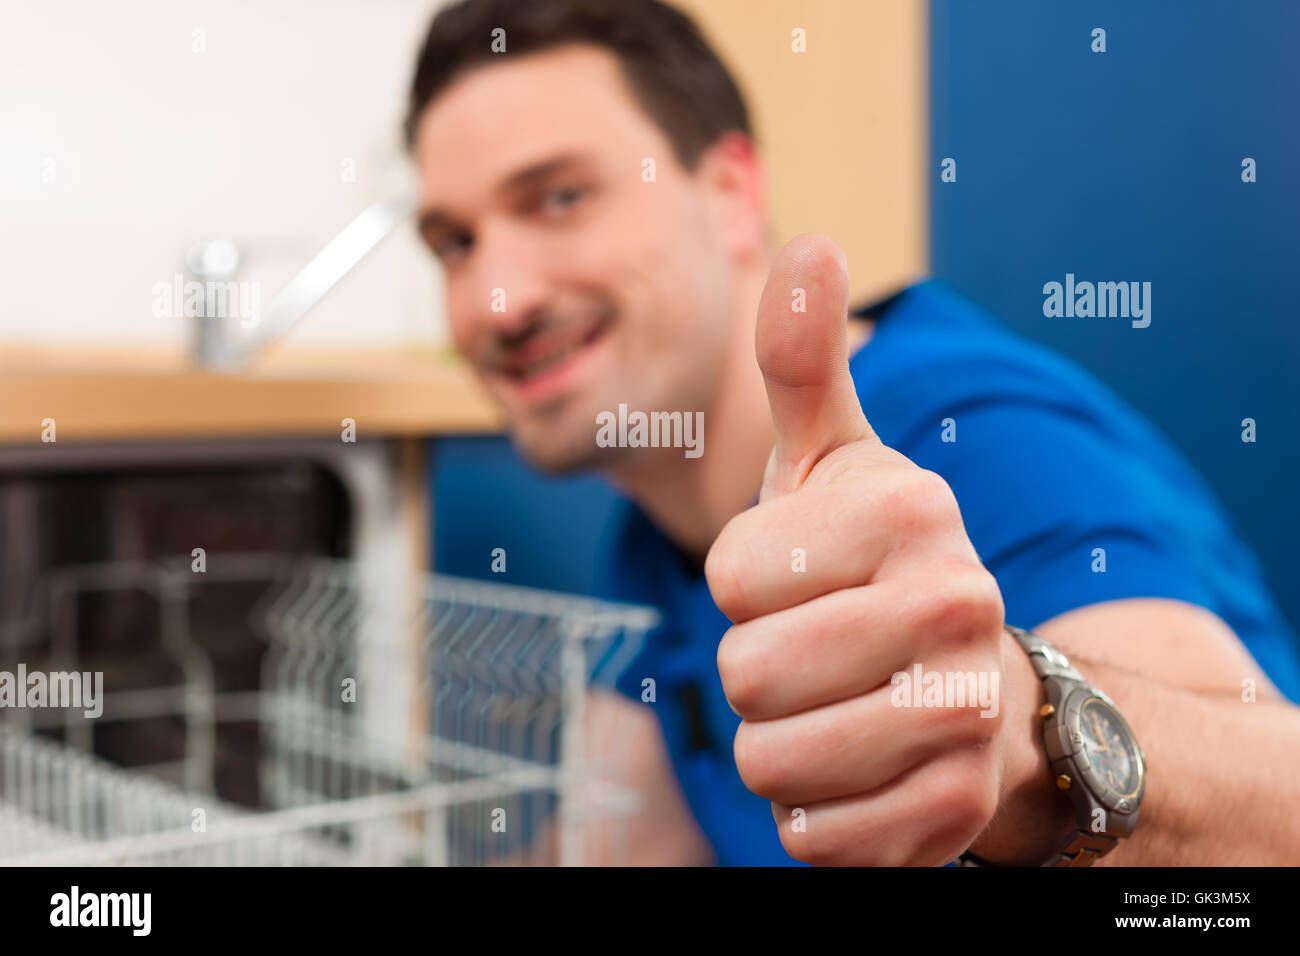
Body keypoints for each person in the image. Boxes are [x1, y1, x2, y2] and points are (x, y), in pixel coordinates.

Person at [404, 0, 1300, 865]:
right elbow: (622, 846)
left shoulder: (963, 437)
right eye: (454, 243)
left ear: (729, 191)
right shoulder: (656, 543)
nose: (500, 299)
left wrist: (1019, 738)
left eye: (560, 197)